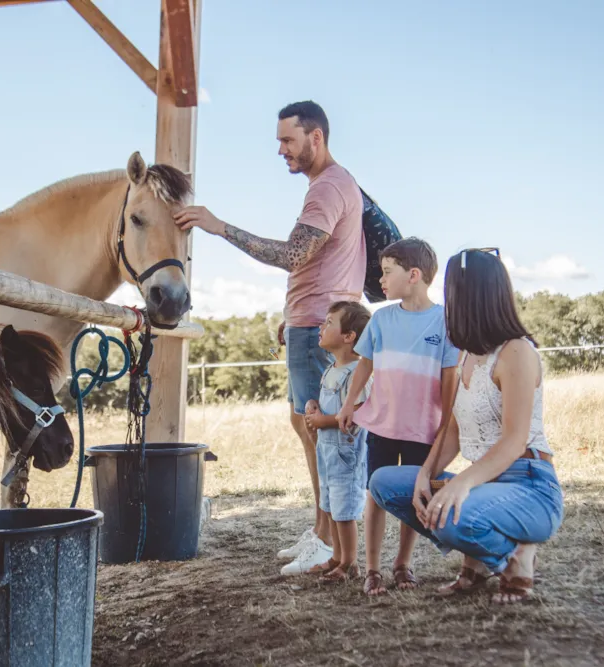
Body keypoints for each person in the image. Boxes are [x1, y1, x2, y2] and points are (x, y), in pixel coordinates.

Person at [173, 101, 366, 570]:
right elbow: (321, 262)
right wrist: (297, 315)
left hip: (317, 323)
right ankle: (321, 531)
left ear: (315, 137)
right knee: (306, 426)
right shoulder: (333, 185)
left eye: (287, 140)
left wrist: (220, 228)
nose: (280, 150)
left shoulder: (327, 189)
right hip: (312, 320)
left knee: (321, 432)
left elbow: (293, 255)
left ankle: (330, 543)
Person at [368, 248, 565, 604]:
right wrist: (426, 474)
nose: (447, 302)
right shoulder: (464, 355)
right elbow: (453, 432)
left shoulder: (516, 352)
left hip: (529, 486)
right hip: (483, 482)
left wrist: (458, 485)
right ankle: (475, 559)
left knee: (451, 512)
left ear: (471, 297)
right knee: (384, 482)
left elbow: (513, 440)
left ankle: (515, 559)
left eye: (452, 292)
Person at [336, 238, 460, 596]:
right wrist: (348, 405)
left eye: (388, 272)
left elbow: (449, 377)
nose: (381, 280)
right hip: (382, 424)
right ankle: (372, 568)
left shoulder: (445, 322)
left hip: (424, 428)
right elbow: (365, 365)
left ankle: (402, 564)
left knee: (413, 496)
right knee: (375, 492)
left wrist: (446, 423)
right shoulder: (381, 320)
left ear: (415, 275)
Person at [280, 301, 373, 578]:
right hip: (327, 451)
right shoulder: (331, 368)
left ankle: (349, 563)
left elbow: (358, 414)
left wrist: (323, 421)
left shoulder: (357, 372)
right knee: (330, 504)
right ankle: (335, 556)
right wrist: (313, 407)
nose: (321, 327)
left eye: (329, 323)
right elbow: (330, 405)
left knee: (344, 511)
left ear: (349, 336)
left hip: (346, 453)